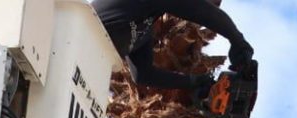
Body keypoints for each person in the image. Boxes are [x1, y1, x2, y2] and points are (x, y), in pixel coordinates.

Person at [91, 0, 253, 92]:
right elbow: (204, 13)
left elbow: (143, 75)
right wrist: (238, 41)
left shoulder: (144, 28)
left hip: (86, 66)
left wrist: (194, 82)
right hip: (80, 38)